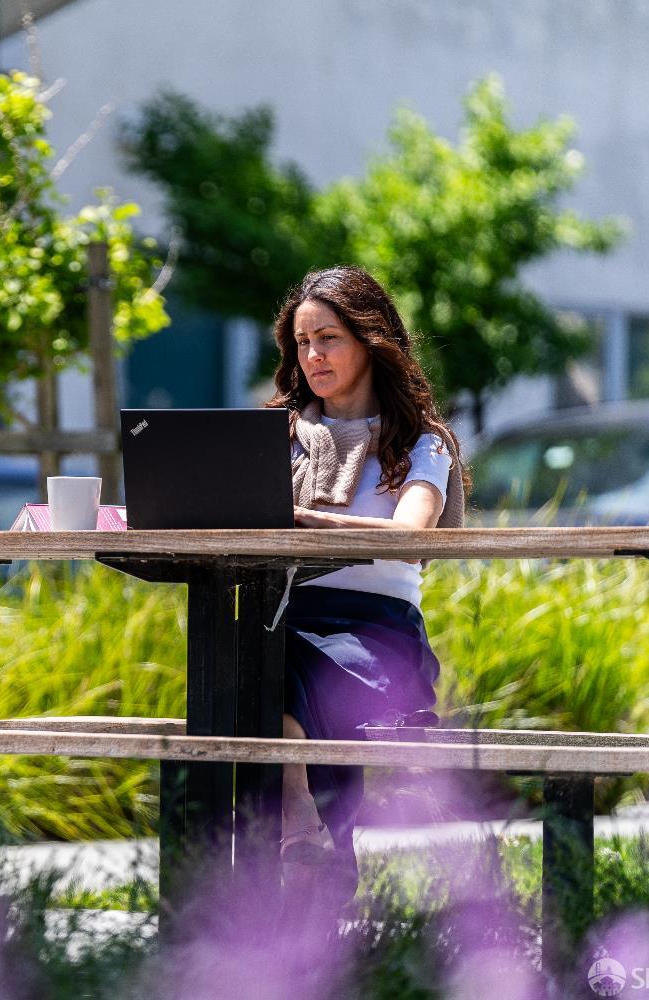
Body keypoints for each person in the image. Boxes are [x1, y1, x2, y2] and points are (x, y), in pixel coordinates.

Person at [265, 265, 468, 904]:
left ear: (371, 341)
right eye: (302, 343)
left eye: (328, 338)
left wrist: (316, 522)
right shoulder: (277, 438)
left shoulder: (422, 443)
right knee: (249, 655)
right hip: (289, 619)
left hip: (379, 634)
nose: (313, 356)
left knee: (275, 665)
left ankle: (301, 824)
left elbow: (411, 532)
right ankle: (303, 842)